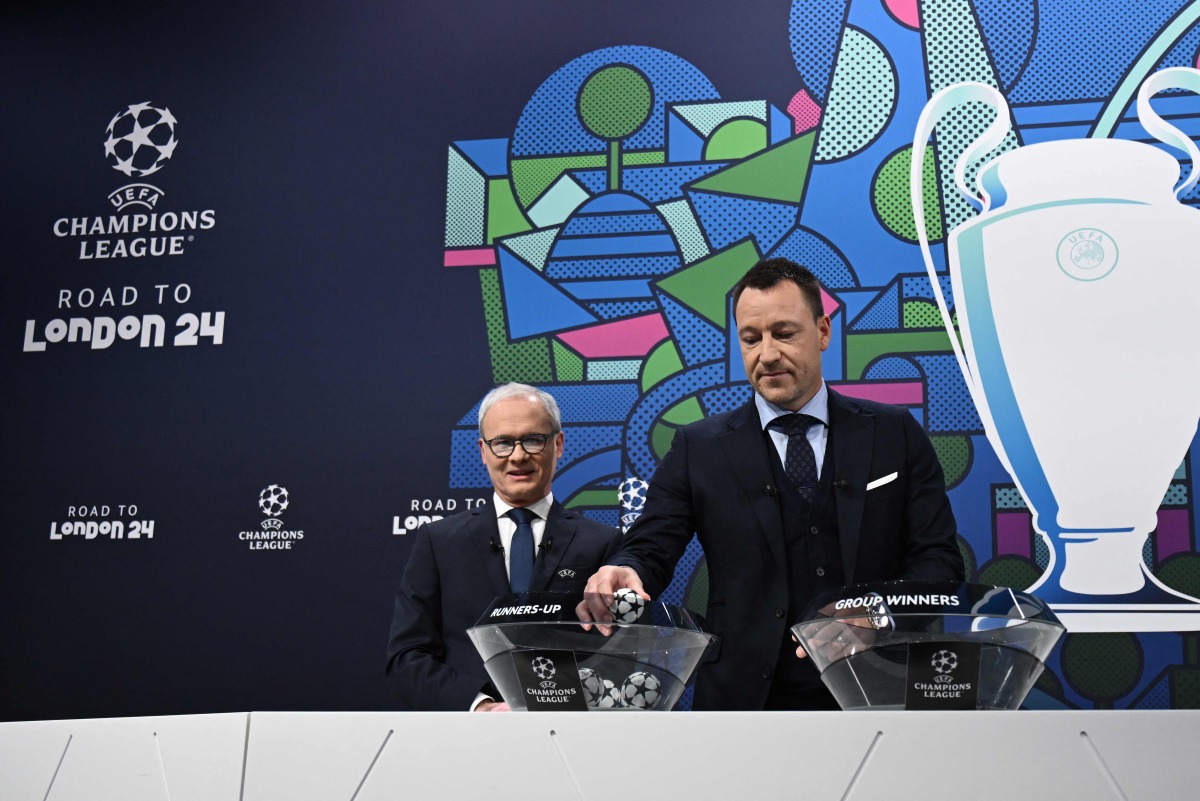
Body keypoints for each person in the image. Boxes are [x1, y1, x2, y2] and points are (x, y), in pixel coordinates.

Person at [581, 258, 964, 710]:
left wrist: (878, 612)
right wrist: (628, 570)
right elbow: (650, 547)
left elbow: (939, 563)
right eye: (750, 338)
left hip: (878, 687)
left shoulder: (894, 433)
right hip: (743, 701)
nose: (766, 354)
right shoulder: (697, 448)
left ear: (822, 332)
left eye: (784, 333)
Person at [387, 383, 623, 711]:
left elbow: (621, 653)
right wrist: (481, 706)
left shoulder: (603, 543)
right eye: (503, 443)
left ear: (558, 444)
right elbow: (408, 656)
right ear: (483, 451)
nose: (518, 455)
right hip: (466, 738)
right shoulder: (438, 542)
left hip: (572, 730)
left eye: (533, 439)